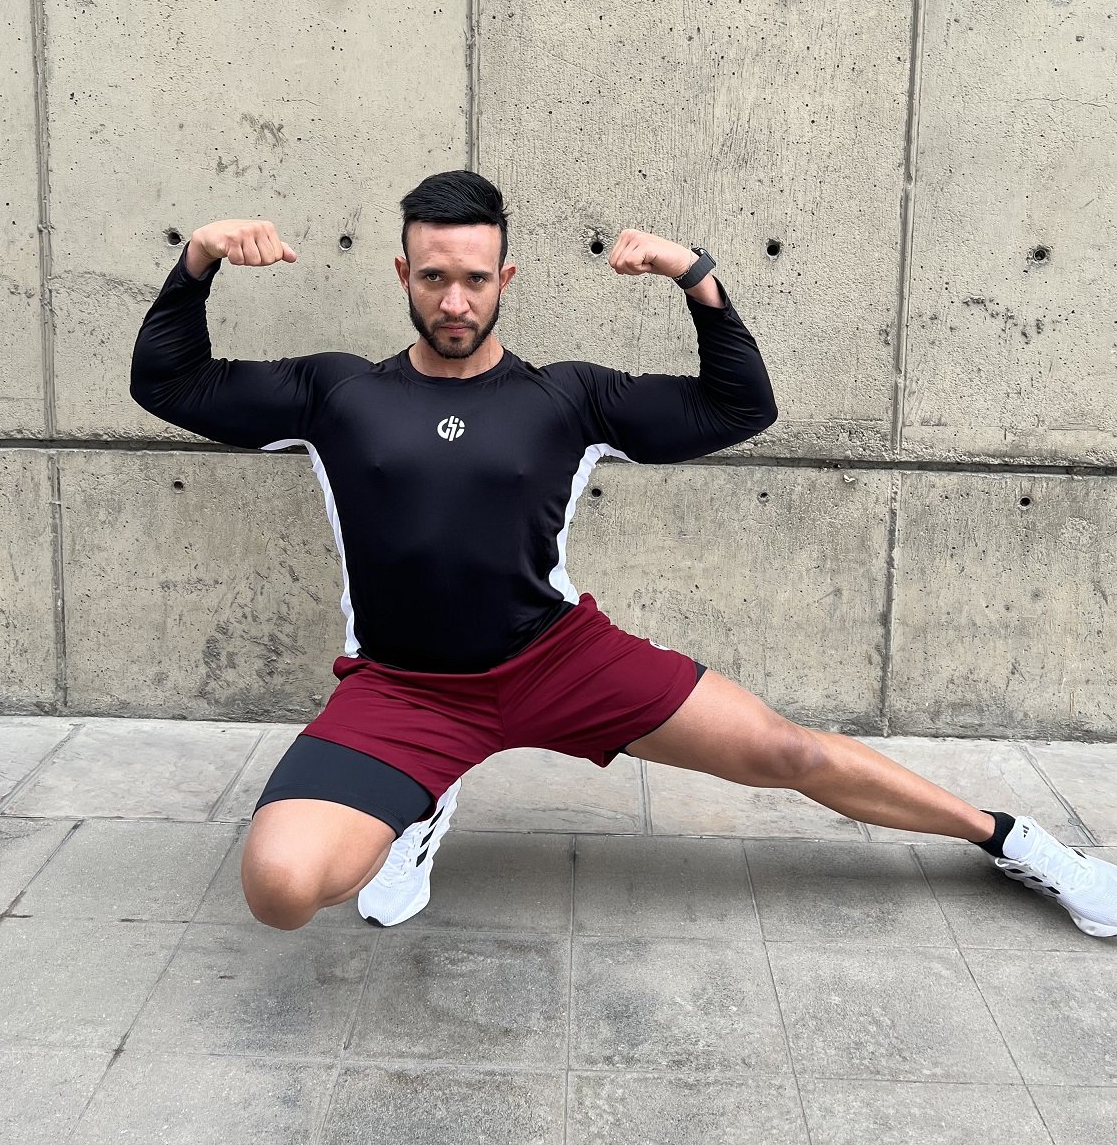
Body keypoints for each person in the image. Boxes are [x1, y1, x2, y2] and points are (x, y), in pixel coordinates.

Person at [130, 170, 1117, 938]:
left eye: (475, 278)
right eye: (434, 277)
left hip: (557, 661)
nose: (455, 299)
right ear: (403, 276)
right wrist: (198, 260)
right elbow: (166, 384)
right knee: (281, 889)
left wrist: (697, 278)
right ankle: (417, 801)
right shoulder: (337, 391)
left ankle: (1018, 843)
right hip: (407, 692)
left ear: (505, 280)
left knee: (788, 752)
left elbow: (739, 407)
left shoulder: (567, 397)